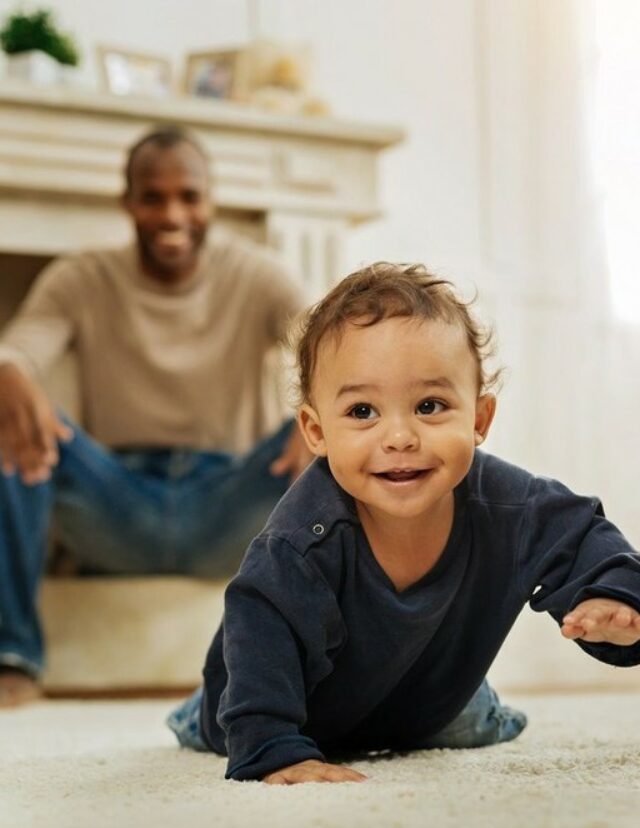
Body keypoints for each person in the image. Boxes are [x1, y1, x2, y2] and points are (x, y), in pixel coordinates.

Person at [167, 261, 640, 784]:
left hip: (425, 701)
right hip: (295, 701)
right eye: (363, 412)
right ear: (315, 432)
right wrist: (272, 747)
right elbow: (260, 626)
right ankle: (196, 711)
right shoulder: (300, 541)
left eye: (430, 406)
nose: (399, 437)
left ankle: (470, 707)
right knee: (223, 713)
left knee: (464, 720)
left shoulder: (511, 507)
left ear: (479, 419)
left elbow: (581, 536)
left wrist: (612, 595)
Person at [0, 126, 312, 708]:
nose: (172, 213)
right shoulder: (81, 276)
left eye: (189, 196)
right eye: (153, 197)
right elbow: (20, 349)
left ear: (210, 201)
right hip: (116, 504)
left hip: (231, 501)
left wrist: (316, 414)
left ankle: (334, 655)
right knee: (11, 417)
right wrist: (10, 369)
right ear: (128, 203)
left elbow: (330, 342)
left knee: (341, 427)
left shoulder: (259, 274)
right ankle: (13, 656)